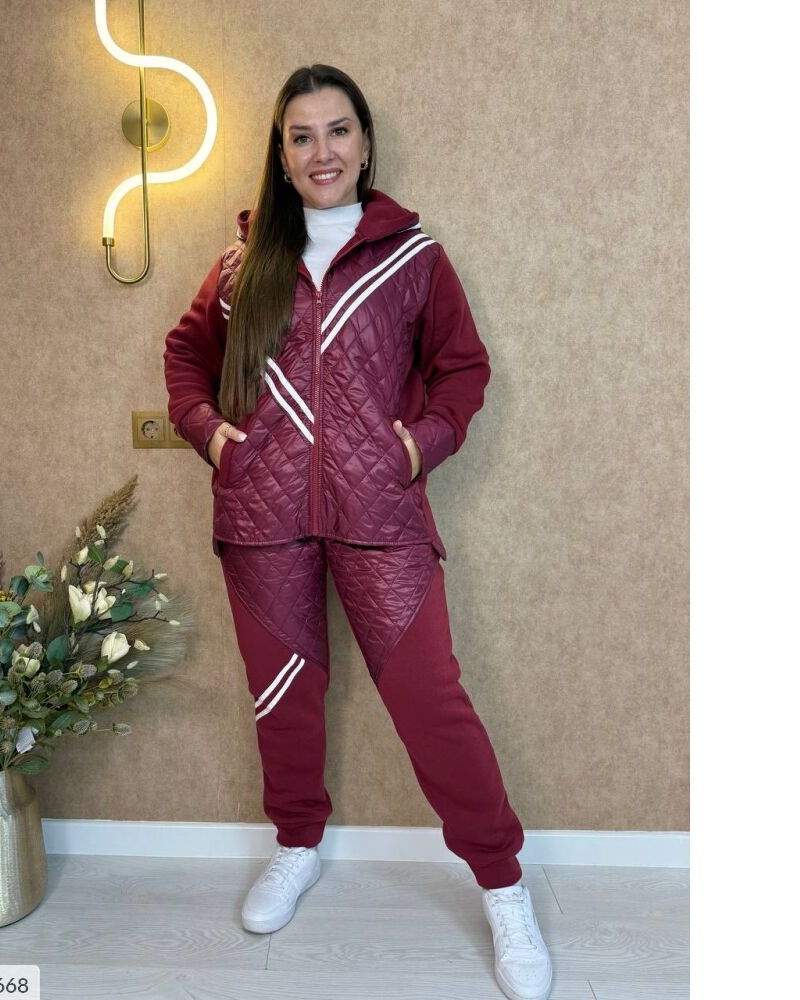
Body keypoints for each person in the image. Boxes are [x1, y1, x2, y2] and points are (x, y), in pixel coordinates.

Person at [163, 64, 553, 1000]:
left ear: (365, 142)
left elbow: (463, 371)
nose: (321, 151)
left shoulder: (414, 259)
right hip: (262, 521)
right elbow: (184, 357)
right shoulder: (239, 264)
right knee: (282, 699)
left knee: (430, 702)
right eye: (300, 137)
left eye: (337, 131)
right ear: (280, 156)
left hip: (381, 516)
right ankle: (296, 844)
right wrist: (211, 436)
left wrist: (420, 445)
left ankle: (502, 888)